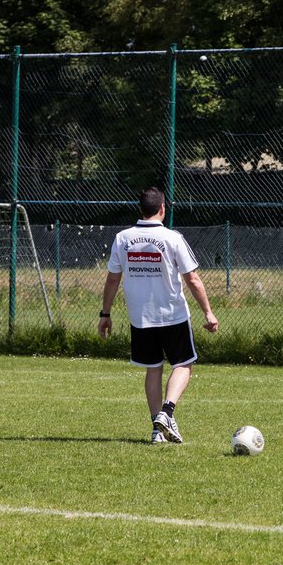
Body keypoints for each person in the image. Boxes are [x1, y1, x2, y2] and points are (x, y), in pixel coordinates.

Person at [98, 187, 219, 444]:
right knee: (183, 364)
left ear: (140, 210)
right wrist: (208, 312)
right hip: (172, 314)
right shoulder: (172, 238)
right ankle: (167, 412)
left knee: (153, 370)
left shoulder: (122, 238)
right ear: (162, 209)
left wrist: (105, 313)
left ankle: (157, 430)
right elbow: (193, 279)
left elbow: (112, 279)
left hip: (140, 318)